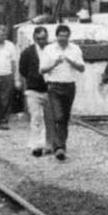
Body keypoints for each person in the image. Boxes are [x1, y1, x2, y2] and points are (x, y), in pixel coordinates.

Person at [39, 22, 86, 158]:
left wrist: (71, 61)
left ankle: (61, 145)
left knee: (64, 117)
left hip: (69, 86)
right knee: (58, 116)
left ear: (69, 36)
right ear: (56, 36)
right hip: (54, 86)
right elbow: (42, 69)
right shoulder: (49, 49)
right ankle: (59, 147)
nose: (62, 38)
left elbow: (82, 68)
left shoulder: (75, 49)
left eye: (65, 36)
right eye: (60, 36)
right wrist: (55, 63)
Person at [17, 29, 49, 158]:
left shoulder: (51, 49)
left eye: (44, 38)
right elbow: (22, 69)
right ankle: (35, 144)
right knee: (36, 117)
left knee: (48, 119)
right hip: (33, 89)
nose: (42, 41)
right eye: (39, 39)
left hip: (48, 88)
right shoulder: (28, 52)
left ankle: (47, 142)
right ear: (34, 39)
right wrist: (32, 78)